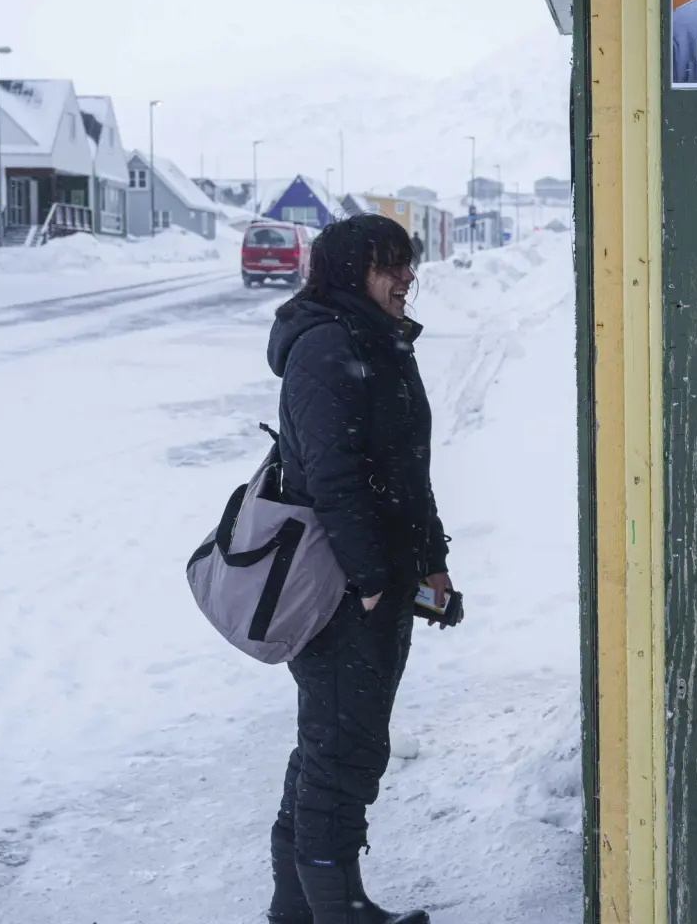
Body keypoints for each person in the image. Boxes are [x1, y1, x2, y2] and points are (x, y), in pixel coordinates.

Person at [264, 213, 453, 924]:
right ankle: (337, 910)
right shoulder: (325, 347)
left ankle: (296, 909)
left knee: (332, 744)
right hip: (342, 589)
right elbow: (334, 476)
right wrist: (372, 580)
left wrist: (431, 561)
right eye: (389, 264)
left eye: (408, 262)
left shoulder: (375, 339)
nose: (407, 276)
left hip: (374, 582)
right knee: (342, 753)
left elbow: (406, 471)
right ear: (351, 272)